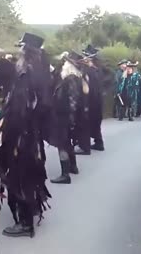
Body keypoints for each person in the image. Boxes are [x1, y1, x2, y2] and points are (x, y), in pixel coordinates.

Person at [0, 33, 52, 237]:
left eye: (21, 49)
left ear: (26, 52)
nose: (18, 52)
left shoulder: (27, 75)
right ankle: (32, 209)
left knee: (20, 176)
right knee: (30, 172)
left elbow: (23, 108)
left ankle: (26, 223)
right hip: (30, 134)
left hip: (21, 136)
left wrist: (12, 129)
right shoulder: (39, 72)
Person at [50, 51, 86, 184]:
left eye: (65, 62)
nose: (63, 64)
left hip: (64, 117)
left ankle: (65, 174)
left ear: (70, 65)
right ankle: (73, 166)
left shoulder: (70, 79)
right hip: (65, 116)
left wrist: (71, 120)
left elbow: (73, 101)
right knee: (67, 142)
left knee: (62, 144)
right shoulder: (70, 78)